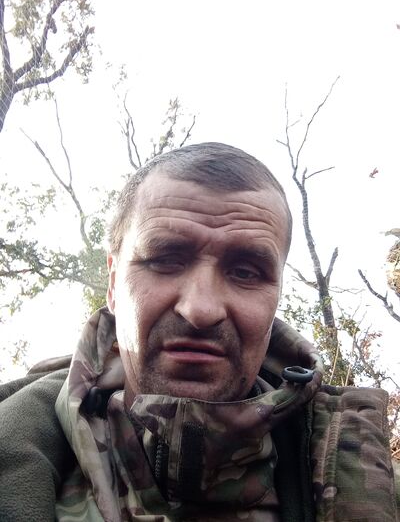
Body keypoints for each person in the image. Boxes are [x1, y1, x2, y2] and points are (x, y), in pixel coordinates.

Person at [0, 142, 398, 522]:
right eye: (165, 259)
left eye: (245, 272)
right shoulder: (17, 445)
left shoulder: (381, 495)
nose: (201, 309)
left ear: (276, 295)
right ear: (113, 285)